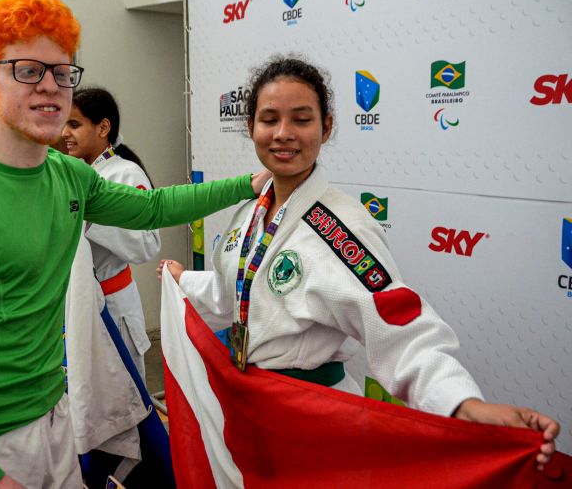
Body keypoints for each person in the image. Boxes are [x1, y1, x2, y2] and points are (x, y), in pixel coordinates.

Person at [0, 0, 269, 489]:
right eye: (28, 70)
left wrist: (250, 183)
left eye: (63, 73)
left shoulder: (69, 177)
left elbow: (153, 208)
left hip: (54, 422)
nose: (51, 87)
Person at [158, 55, 559, 471]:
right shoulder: (251, 215)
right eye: (269, 119)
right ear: (251, 128)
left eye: (301, 119)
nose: (283, 134)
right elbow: (236, 298)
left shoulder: (340, 229)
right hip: (249, 410)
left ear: (326, 128)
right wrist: (185, 280)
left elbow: (398, 328)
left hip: (310, 421)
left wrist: (463, 403)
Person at [62, 87, 159, 381]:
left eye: (75, 124)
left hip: (114, 305)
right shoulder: (78, 173)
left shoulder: (125, 174)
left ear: (103, 127)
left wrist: (92, 217)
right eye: (64, 124)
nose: (65, 133)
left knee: (123, 398)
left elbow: (147, 244)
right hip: (81, 303)